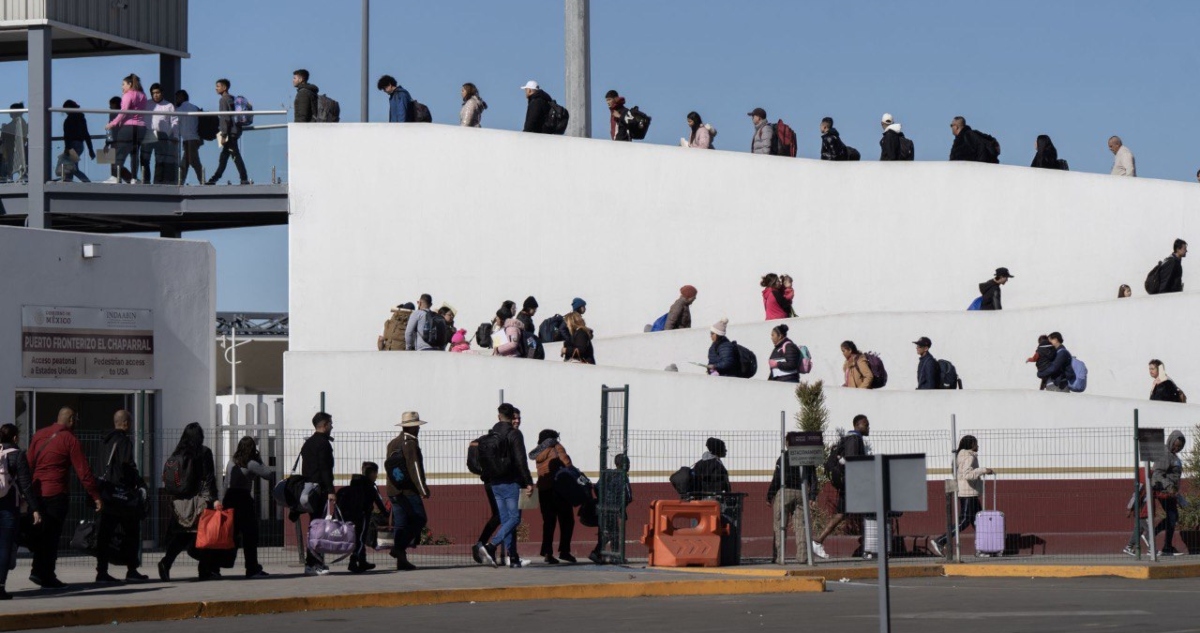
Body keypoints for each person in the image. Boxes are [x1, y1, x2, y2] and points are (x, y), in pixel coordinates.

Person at [27, 406, 101, 588]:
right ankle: (47, 575)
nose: (75, 423)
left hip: (36, 493)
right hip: (56, 493)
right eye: (75, 420)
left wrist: (26, 492)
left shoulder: (39, 435)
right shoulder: (70, 439)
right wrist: (95, 495)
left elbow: (29, 462)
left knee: (40, 534)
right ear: (70, 420)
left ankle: (37, 570)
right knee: (52, 536)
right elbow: (83, 471)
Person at [157, 422, 219, 582]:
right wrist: (213, 499)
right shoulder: (204, 452)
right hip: (199, 502)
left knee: (182, 536)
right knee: (206, 535)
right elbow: (208, 479)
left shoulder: (177, 453)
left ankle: (166, 562)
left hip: (179, 503)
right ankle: (204, 570)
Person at [474, 403, 534, 568]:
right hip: (511, 481)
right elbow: (521, 460)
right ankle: (491, 546)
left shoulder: (492, 434)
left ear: (499, 416)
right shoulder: (514, 434)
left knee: (507, 520)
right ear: (512, 417)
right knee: (514, 518)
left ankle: (513, 558)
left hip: (494, 483)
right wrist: (528, 481)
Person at [94, 410, 149, 583]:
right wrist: (139, 483)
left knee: (104, 534)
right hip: (121, 495)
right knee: (132, 531)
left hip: (106, 493)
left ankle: (102, 571)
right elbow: (127, 467)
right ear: (125, 423)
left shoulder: (104, 441)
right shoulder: (124, 441)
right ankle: (132, 569)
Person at [812, 415, 869, 559]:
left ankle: (818, 540)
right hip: (852, 485)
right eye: (866, 425)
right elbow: (852, 461)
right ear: (858, 424)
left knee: (842, 514)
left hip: (848, 485)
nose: (868, 428)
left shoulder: (849, 439)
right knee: (866, 512)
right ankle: (869, 548)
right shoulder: (854, 439)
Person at [929, 435, 994, 556]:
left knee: (978, 521)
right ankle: (941, 540)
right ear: (971, 445)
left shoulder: (960, 456)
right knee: (964, 520)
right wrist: (984, 470)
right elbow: (967, 475)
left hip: (969, 492)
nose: (977, 446)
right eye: (976, 443)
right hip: (968, 493)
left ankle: (982, 548)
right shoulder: (968, 457)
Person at [220, 436, 273, 578]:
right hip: (243, 499)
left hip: (230, 499)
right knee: (250, 536)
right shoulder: (250, 463)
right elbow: (268, 474)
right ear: (252, 449)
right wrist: (259, 459)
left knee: (230, 535)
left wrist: (223, 502)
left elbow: (226, 484)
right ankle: (252, 568)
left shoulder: (231, 462)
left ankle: (215, 566)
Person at [0, 424, 40, 600]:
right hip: (9, 508)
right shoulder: (18, 455)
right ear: (15, 438)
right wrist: (35, 508)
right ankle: (0, 586)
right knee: (5, 548)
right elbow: (25, 485)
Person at [386, 412, 431, 571]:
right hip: (408, 490)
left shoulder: (393, 443)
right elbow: (415, 469)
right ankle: (398, 549)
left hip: (393, 489)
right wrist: (422, 489)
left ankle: (401, 560)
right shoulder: (410, 443)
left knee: (401, 523)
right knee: (420, 519)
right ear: (413, 428)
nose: (418, 429)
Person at [530, 429, 576, 564]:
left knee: (549, 523)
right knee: (567, 520)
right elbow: (567, 463)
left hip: (544, 490)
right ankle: (564, 551)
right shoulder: (556, 447)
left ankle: (547, 553)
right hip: (559, 489)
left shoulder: (539, 452)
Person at [301, 411, 337, 575]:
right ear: (324, 425)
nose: (332, 426)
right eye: (330, 423)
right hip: (319, 490)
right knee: (318, 527)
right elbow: (325, 469)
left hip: (309, 490)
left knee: (316, 526)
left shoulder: (308, 443)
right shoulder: (322, 444)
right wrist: (330, 490)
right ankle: (313, 563)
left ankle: (316, 562)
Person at [336, 461, 388, 574]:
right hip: (362, 516)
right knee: (360, 539)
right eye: (375, 473)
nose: (377, 476)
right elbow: (379, 503)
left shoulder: (353, 486)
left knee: (358, 538)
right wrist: (386, 514)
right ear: (371, 473)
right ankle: (353, 562)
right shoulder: (369, 488)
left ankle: (362, 561)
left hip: (349, 517)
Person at [104, 73, 148, 183]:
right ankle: (134, 178)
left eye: (123, 84)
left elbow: (124, 112)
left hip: (128, 127)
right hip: (141, 128)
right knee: (134, 153)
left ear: (130, 84)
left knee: (119, 153)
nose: (122, 87)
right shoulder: (143, 95)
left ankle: (115, 177)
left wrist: (112, 124)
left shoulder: (128, 95)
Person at [589, 453, 632, 564]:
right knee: (614, 533)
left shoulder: (607, 474)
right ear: (624, 465)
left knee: (608, 532)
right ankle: (613, 555)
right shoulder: (624, 477)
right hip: (614, 508)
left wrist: (602, 500)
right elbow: (629, 495)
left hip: (603, 508)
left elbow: (597, 487)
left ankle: (602, 553)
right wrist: (622, 505)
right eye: (627, 463)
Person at [207, 78, 249, 185]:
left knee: (235, 156)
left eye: (218, 86)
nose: (216, 88)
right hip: (235, 131)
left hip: (229, 133)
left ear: (224, 88)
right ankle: (214, 179)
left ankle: (244, 179)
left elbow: (225, 118)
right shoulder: (232, 99)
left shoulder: (223, 100)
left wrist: (224, 134)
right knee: (224, 157)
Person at [767, 447, 806, 563]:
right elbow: (811, 475)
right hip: (800, 491)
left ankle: (780, 556)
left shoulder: (783, 458)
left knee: (780, 526)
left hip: (785, 491)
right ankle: (803, 556)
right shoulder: (803, 458)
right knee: (800, 526)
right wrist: (812, 493)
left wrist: (770, 495)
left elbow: (777, 477)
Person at [1151, 431, 1187, 556]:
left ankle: (1166, 546)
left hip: (1171, 492)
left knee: (1173, 517)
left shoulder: (1173, 456)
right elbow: (1157, 474)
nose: (1176, 448)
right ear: (1170, 441)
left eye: (1179, 447)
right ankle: (1152, 535)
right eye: (1175, 445)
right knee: (1172, 517)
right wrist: (1168, 486)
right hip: (1163, 491)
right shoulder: (1165, 454)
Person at [147, 83, 178, 183]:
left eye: (157, 92)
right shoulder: (146, 104)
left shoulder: (169, 106)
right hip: (148, 133)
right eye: (153, 93)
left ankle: (157, 181)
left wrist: (175, 136)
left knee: (160, 159)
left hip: (162, 135)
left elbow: (175, 121)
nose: (155, 95)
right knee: (144, 158)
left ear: (162, 93)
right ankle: (145, 180)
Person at [61, 100, 95, 182]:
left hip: (73, 146)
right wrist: (90, 149)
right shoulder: (81, 118)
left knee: (73, 167)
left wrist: (67, 147)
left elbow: (67, 135)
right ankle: (68, 182)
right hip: (79, 144)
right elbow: (86, 134)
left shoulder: (69, 120)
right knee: (71, 166)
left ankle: (86, 183)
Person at [174, 90, 203, 184]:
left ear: (181, 97)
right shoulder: (195, 108)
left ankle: (201, 181)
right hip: (196, 138)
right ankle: (181, 181)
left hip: (188, 139)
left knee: (193, 162)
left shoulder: (180, 110)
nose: (176, 99)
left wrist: (175, 137)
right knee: (186, 162)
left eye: (177, 97)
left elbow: (176, 125)